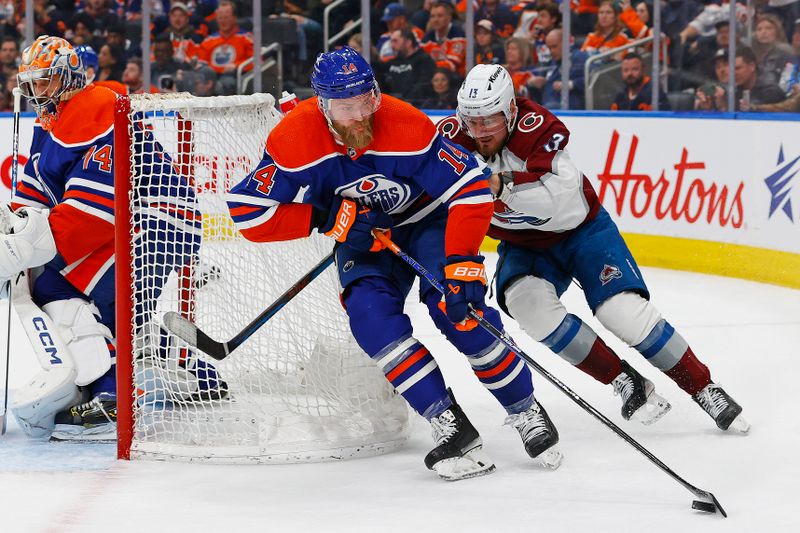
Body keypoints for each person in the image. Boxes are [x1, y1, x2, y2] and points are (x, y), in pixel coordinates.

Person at [226, 47, 562, 481]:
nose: (359, 115)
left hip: (426, 225)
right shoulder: (295, 140)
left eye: (366, 100)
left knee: (462, 315)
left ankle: (524, 409)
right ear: (323, 105)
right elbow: (248, 211)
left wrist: (462, 266)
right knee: (371, 321)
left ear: (376, 93)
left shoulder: (406, 125)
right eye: (345, 107)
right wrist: (328, 218)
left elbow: (472, 189)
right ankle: (449, 423)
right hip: (360, 240)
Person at [437, 63, 750, 433]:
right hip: (524, 246)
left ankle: (703, 388)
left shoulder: (538, 129)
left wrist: (499, 184)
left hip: (582, 232)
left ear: (510, 112)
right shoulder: (450, 140)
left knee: (623, 313)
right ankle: (624, 380)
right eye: (472, 122)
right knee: (530, 308)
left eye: (489, 121)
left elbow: (557, 199)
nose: (480, 133)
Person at [6, 35, 225, 441]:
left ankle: (112, 398)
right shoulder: (50, 121)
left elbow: (94, 210)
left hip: (159, 220)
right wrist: (12, 227)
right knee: (99, 303)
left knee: (68, 286)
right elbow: (36, 194)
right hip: (132, 220)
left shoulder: (97, 108)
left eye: (45, 82)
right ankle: (200, 374)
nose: (38, 92)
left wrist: (24, 248)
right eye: (32, 84)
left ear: (68, 76)